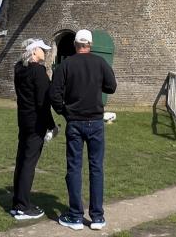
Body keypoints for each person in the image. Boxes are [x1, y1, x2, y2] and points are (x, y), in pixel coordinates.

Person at [50, 29, 116, 230]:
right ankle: (97, 217)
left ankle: (75, 216)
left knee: (74, 167)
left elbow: (54, 94)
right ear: (91, 44)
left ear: (75, 44)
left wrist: (64, 112)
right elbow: (111, 87)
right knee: (96, 168)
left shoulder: (66, 64)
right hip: (95, 121)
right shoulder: (100, 63)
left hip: (75, 122)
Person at [10, 38, 54, 221]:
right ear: (34, 51)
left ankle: (17, 203)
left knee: (22, 160)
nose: (45, 52)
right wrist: (51, 125)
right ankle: (22, 207)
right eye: (42, 49)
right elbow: (43, 102)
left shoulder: (19, 68)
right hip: (36, 123)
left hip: (24, 119)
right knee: (29, 163)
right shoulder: (38, 71)